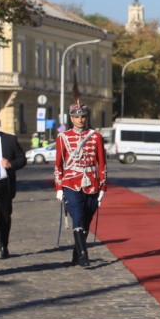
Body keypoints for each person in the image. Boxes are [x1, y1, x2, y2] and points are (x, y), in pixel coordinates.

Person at [54, 104, 106, 266]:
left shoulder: (96, 136)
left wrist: (103, 188)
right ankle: (84, 254)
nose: (80, 120)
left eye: (83, 116)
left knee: (86, 220)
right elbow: (58, 165)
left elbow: (102, 164)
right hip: (71, 183)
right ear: (71, 118)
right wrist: (59, 188)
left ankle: (76, 253)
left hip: (91, 183)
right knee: (77, 216)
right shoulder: (63, 137)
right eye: (76, 117)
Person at [0, 114, 25, 259]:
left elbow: (22, 159)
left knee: (5, 217)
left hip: (4, 185)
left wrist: (11, 164)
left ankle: (3, 244)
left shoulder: (9, 140)